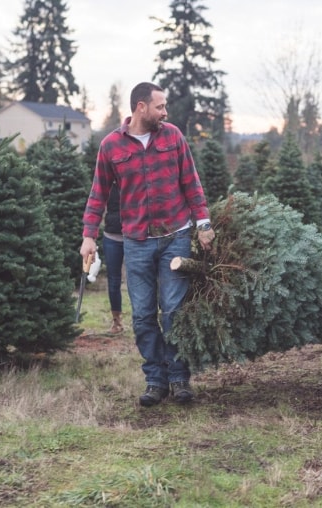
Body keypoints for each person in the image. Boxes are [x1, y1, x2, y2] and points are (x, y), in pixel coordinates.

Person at [80, 82, 215, 407]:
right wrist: (88, 235)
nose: (165, 112)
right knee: (142, 317)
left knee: (172, 311)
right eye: (159, 106)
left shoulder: (173, 137)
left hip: (176, 237)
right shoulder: (112, 146)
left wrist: (204, 223)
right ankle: (155, 381)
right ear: (141, 107)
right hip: (137, 241)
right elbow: (99, 191)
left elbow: (191, 181)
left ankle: (179, 378)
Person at [102, 182, 125, 335]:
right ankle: (116, 321)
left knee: (140, 280)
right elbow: (97, 204)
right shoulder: (108, 185)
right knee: (113, 281)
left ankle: (144, 321)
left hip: (136, 238)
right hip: (111, 237)